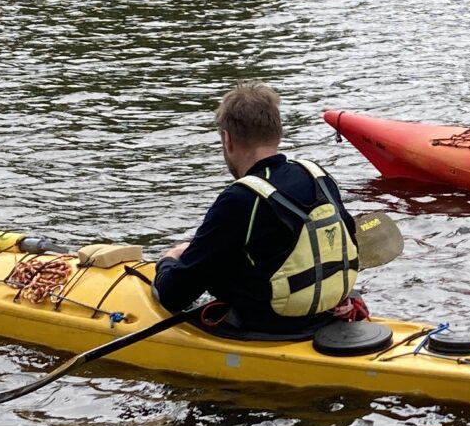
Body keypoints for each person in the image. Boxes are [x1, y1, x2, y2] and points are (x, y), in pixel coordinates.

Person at [152, 83, 361, 335]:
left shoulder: (239, 199)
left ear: (227, 139)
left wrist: (169, 260)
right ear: (277, 133)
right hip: (326, 320)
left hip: (267, 330)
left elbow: (174, 295)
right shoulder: (318, 176)